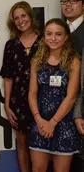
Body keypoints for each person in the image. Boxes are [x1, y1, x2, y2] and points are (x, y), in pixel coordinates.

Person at [29, 18, 80, 172]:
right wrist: (39, 119)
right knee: (37, 169)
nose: (53, 38)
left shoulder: (73, 61)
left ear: (66, 37)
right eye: (49, 34)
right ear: (44, 37)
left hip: (64, 125)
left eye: (58, 34)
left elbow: (71, 97)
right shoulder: (37, 61)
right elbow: (32, 93)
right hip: (40, 123)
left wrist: (53, 123)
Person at [0, 1, 41, 172]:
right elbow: (8, 78)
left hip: (42, 100)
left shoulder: (45, 41)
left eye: (23, 15)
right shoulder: (11, 45)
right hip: (19, 102)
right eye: (16, 18)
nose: (20, 20)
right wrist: (7, 105)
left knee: (41, 144)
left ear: (30, 16)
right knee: (22, 142)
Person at [61, 0, 84, 171]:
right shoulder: (61, 31)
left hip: (79, 107)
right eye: (65, 1)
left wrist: (78, 112)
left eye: (74, 0)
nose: (68, 5)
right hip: (60, 104)